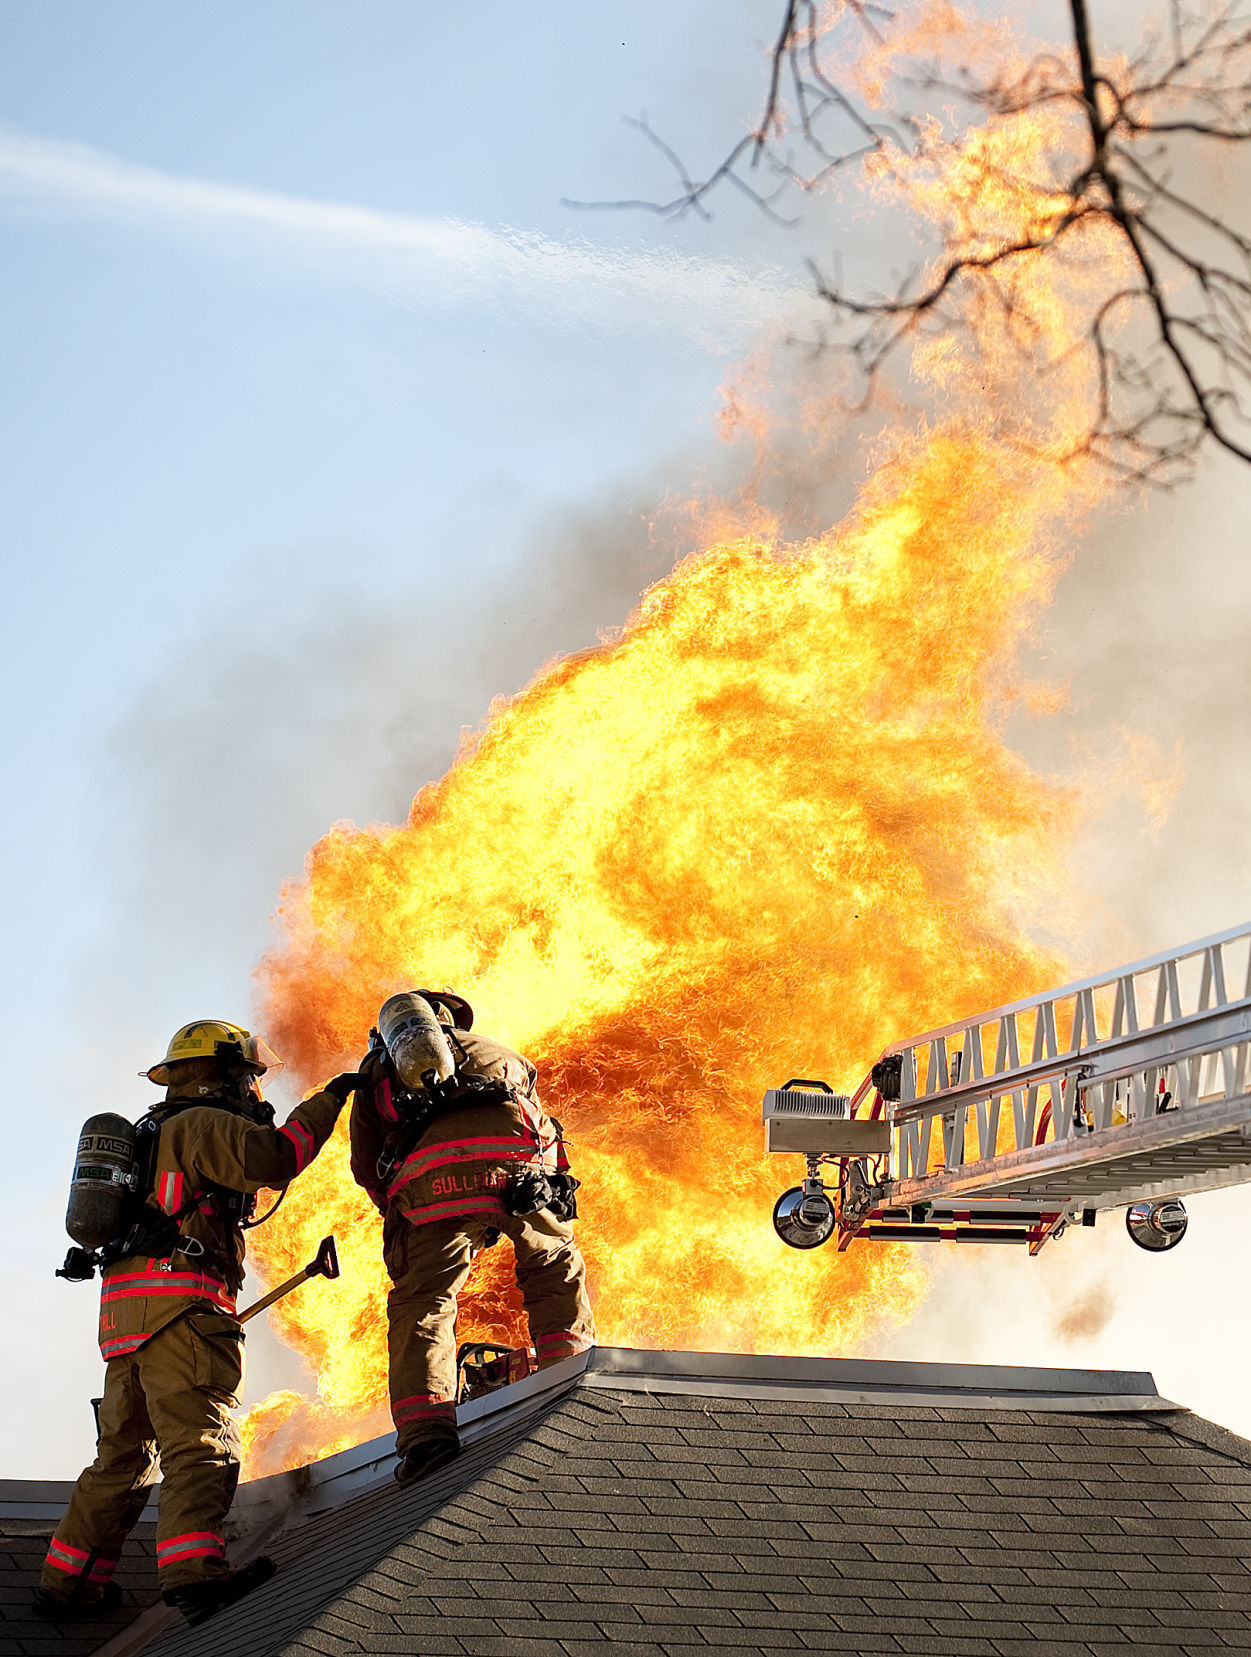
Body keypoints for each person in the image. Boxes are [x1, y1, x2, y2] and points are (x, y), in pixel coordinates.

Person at [34, 1020, 359, 1627]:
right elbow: (276, 1157)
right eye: (250, 1077)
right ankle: (195, 1575)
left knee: (122, 1459)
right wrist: (330, 1099)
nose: (255, 1092)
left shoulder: (149, 1134)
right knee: (198, 1447)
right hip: (183, 1312)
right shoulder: (203, 1125)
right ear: (225, 1072)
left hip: (125, 1319)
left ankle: (67, 1584)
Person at [350, 989, 594, 1484]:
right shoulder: (504, 1054)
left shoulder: (379, 1074)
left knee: (424, 1301)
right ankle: (569, 1376)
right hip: (521, 1176)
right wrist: (553, 1186)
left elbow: (365, 1165)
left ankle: (426, 1434)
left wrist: (407, 1212)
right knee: (553, 1266)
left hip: (429, 1186)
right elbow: (543, 1126)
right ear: (449, 1022)